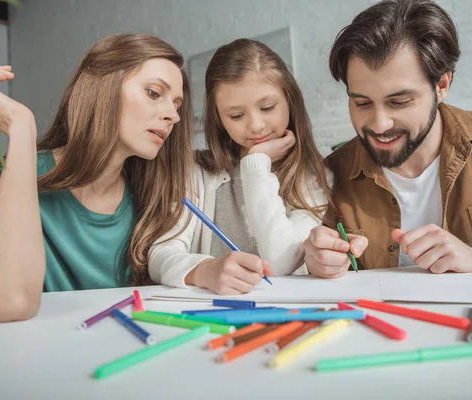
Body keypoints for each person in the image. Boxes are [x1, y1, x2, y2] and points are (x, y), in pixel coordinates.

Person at [0, 33, 195, 321]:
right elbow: (8, 304)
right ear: (101, 89)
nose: (173, 116)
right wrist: (21, 128)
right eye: (153, 93)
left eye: (176, 105)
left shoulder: (152, 199)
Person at [304, 0, 472, 279]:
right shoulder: (330, 174)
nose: (380, 125)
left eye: (399, 102)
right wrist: (314, 263)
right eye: (362, 103)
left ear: (442, 85)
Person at [149, 38, 348, 294]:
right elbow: (159, 255)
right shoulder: (196, 170)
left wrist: (256, 165)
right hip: (211, 311)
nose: (255, 125)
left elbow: (280, 262)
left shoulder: (311, 176)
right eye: (236, 116)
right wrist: (205, 270)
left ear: (290, 100)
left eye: (267, 107)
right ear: (218, 119)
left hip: (284, 309)